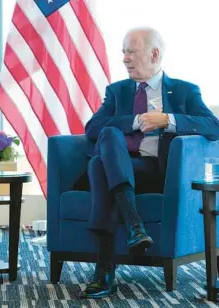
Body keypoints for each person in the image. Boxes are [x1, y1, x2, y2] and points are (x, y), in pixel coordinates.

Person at [76, 27, 219, 299]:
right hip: (122, 165)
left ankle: (105, 271)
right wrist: (134, 120)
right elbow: (92, 128)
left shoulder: (184, 91)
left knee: (98, 167)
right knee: (105, 141)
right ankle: (134, 226)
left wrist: (168, 120)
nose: (125, 59)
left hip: (156, 170)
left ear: (154, 54)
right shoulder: (117, 91)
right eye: (123, 52)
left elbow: (214, 126)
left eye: (131, 51)